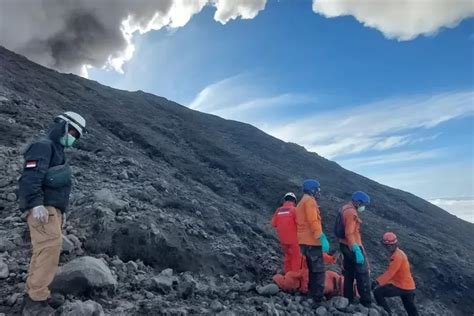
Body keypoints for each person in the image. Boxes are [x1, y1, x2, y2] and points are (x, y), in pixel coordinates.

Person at [19, 112, 86, 315]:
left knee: (44, 251)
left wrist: (59, 211)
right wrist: (35, 204)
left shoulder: (56, 149)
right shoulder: (44, 145)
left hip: (50, 209)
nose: (73, 137)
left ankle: (34, 292)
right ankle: (35, 302)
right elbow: (31, 176)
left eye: (77, 135)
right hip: (42, 209)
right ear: (62, 126)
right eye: (72, 131)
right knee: (49, 248)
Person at [295, 179, 330, 305]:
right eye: (317, 189)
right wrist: (321, 236)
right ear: (312, 190)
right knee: (318, 270)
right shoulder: (310, 201)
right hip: (312, 242)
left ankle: (311, 293)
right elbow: (313, 220)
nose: (318, 192)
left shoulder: (301, 202)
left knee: (311, 269)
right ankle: (318, 298)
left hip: (303, 242)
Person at [336, 191, 372, 307]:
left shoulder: (344, 208)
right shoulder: (351, 213)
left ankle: (348, 298)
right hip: (351, 246)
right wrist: (356, 249)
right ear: (357, 202)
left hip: (344, 245)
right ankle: (366, 302)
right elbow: (349, 233)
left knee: (349, 273)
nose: (363, 207)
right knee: (363, 274)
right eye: (363, 204)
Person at [373, 232, 419, 316]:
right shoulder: (399, 253)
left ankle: (387, 313)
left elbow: (390, 273)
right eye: (387, 245)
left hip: (402, 286)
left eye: (389, 245)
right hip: (408, 286)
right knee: (411, 309)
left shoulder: (397, 256)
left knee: (378, 292)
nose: (388, 247)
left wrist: (376, 282)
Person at [271, 192, 302, 273]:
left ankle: (287, 275)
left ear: (285, 200)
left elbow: (273, 224)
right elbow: (300, 223)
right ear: (294, 201)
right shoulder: (294, 210)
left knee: (288, 257)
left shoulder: (278, 210)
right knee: (296, 258)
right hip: (294, 240)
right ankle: (295, 277)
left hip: (283, 240)